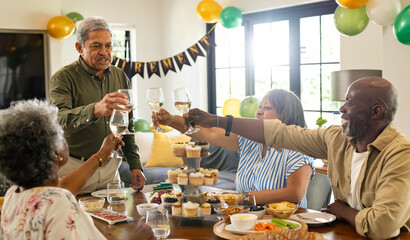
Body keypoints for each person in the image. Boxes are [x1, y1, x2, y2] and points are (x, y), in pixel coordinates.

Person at [186, 77, 410, 239]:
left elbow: (382, 226)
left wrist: (344, 211)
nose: (341, 108)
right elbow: (281, 133)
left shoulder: (401, 154)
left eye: (349, 103)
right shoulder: (338, 139)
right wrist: (217, 120)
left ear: (376, 112)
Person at [0, 99, 154, 239]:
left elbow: (63, 187)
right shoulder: (58, 202)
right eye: (61, 134)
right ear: (56, 154)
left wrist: (102, 154)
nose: (65, 137)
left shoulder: (13, 195)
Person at [153, 89, 315, 206]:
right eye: (260, 106)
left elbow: (295, 193)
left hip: (284, 226)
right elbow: (208, 132)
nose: (258, 112)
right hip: (245, 220)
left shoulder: (297, 148)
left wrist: (239, 197)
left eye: (267, 108)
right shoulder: (250, 140)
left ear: (286, 114)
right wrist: (172, 120)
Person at [49, 16, 145, 193]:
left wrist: (135, 165)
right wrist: (95, 110)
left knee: (117, 218)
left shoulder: (120, 76)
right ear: (80, 48)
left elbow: (127, 125)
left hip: (110, 169)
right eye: (96, 45)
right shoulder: (63, 78)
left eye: (108, 45)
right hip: (75, 168)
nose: (104, 51)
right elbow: (59, 120)